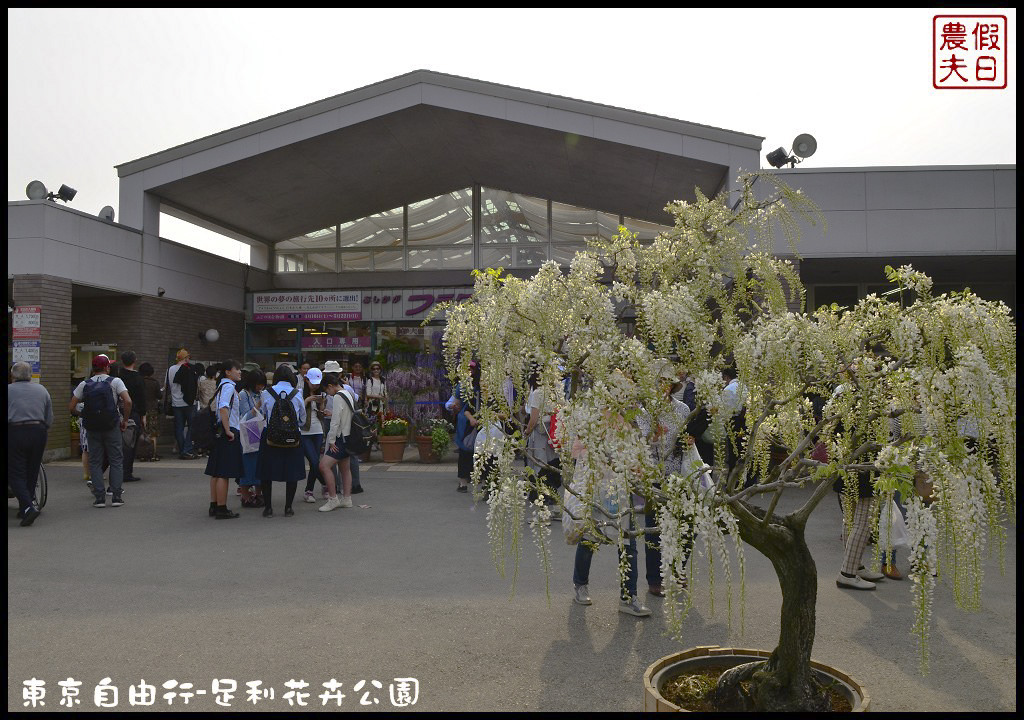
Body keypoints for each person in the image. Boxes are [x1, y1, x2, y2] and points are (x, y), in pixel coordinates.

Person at [636, 363, 693, 597]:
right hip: (655, 476)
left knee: (686, 524)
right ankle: (655, 579)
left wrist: (688, 441)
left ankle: (677, 567)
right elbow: (641, 441)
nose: (664, 387)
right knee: (654, 528)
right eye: (659, 382)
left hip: (679, 473)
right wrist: (653, 435)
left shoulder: (683, 409)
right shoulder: (645, 410)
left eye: (667, 382)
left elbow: (689, 436)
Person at [70, 354, 132, 508]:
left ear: (93, 368)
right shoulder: (115, 381)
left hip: (92, 428)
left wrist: (84, 415)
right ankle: (116, 496)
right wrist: (124, 420)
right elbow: (128, 401)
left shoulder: (85, 384)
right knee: (116, 460)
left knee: (95, 462)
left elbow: (71, 407)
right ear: (107, 367)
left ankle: (99, 498)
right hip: (112, 425)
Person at [256, 364, 306, 518]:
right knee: (291, 472)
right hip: (292, 437)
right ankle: (288, 508)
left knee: (267, 472)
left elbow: (263, 413)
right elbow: (302, 419)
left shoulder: (266, 393)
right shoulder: (297, 393)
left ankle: (268, 508)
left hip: (271, 436)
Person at [8, 361, 53, 526]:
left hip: (15, 432)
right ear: (30, 375)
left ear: (13, 375)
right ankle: (25, 507)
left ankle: (27, 507)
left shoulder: (8, 390)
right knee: (32, 470)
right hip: (38, 431)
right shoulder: (42, 390)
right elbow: (49, 416)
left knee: (15, 473)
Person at [203, 360, 243, 519]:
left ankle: (214, 505)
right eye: (237, 369)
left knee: (216, 471)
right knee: (224, 473)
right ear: (228, 371)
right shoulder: (229, 387)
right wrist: (228, 430)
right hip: (228, 431)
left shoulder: (221, 386)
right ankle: (221, 508)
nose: (239, 372)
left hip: (219, 431)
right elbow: (223, 408)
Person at [523, 362, 560, 507]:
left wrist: (526, 432)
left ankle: (542, 509)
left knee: (539, 468)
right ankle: (555, 505)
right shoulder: (554, 390)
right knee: (552, 467)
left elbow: (533, 419)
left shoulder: (538, 393)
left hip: (540, 434)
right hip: (552, 434)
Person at [318, 372, 355, 511]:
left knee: (323, 466)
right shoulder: (347, 393)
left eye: (326, 390)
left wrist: (331, 440)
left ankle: (333, 498)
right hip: (348, 436)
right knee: (345, 468)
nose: (328, 394)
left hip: (340, 437)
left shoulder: (338, 397)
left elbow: (335, 422)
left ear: (329, 386)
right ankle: (347, 498)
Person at [236, 369, 266, 507]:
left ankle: (259, 494)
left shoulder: (261, 393)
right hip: (249, 431)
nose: (261, 387)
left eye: (263, 384)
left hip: (260, 430)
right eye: (259, 384)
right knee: (248, 465)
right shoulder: (243, 394)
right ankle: (245, 496)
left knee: (260, 465)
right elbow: (244, 417)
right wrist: (258, 406)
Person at [301, 368, 328, 503]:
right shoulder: (299, 393)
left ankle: (309, 491)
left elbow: (321, 415)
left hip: (317, 431)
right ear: (306, 380)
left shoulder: (322, 394)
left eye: (318, 383)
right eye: (313, 383)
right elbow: (297, 412)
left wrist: (321, 403)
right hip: (304, 432)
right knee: (314, 461)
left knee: (314, 463)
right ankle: (325, 485)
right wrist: (307, 400)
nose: (316, 385)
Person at [119, 351, 147, 482]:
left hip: (117, 412)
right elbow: (142, 398)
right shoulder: (137, 378)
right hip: (133, 413)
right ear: (134, 361)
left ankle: (116, 471)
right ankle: (127, 472)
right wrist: (143, 415)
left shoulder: (117, 376)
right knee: (130, 444)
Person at [454, 361, 481, 493]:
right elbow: (457, 403)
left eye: (472, 369)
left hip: (474, 420)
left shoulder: (479, 385)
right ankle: (465, 481)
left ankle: (469, 480)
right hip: (467, 421)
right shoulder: (464, 385)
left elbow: (457, 403)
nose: (470, 371)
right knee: (466, 450)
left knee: (475, 451)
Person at [166, 348, 198, 459]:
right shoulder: (188, 369)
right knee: (192, 426)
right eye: (188, 357)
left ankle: (183, 450)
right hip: (189, 403)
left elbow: (168, 384)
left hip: (176, 403)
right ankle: (186, 450)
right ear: (185, 358)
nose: (189, 359)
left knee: (179, 428)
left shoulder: (170, 369)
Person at [139, 362, 163, 461]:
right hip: (153, 409)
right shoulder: (155, 382)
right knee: (153, 434)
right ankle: (153, 455)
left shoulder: (139, 381)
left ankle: (142, 455)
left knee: (142, 432)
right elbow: (159, 396)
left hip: (141, 409)